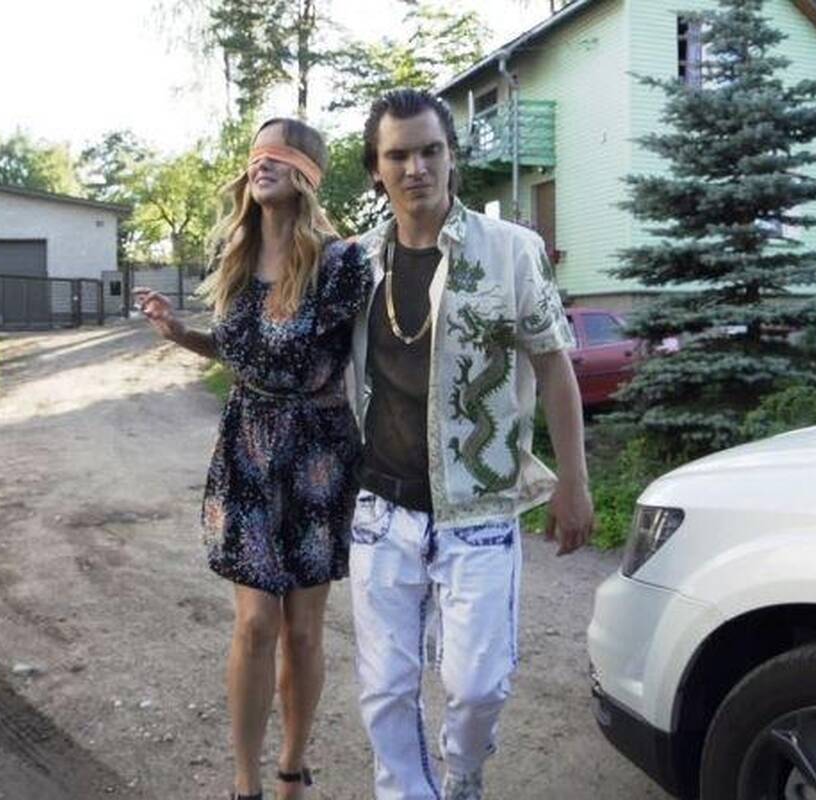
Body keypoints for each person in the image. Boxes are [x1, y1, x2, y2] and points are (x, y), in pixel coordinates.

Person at [348, 89, 594, 800]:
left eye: (431, 150)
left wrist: (574, 481)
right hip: (381, 509)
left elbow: (554, 367)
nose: (416, 168)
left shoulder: (512, 252)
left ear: (452, 156)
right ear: (376, 170)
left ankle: (463, 774)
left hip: (479, 508)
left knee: (479, 686)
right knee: (386, 690)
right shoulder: (355, 263)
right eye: (398, 155)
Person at [135, 117, 371, 800]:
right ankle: (246, 782)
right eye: (256, 154)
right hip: (247, 448)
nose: (261, 162)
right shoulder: (237, 258)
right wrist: (182, 334)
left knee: (303, 631)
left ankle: (292, 766)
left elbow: (373, 353)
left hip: (320, 455)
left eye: (278, 153)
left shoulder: (340, 263)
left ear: (306, 173)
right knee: (255, 621)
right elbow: (243, 351)